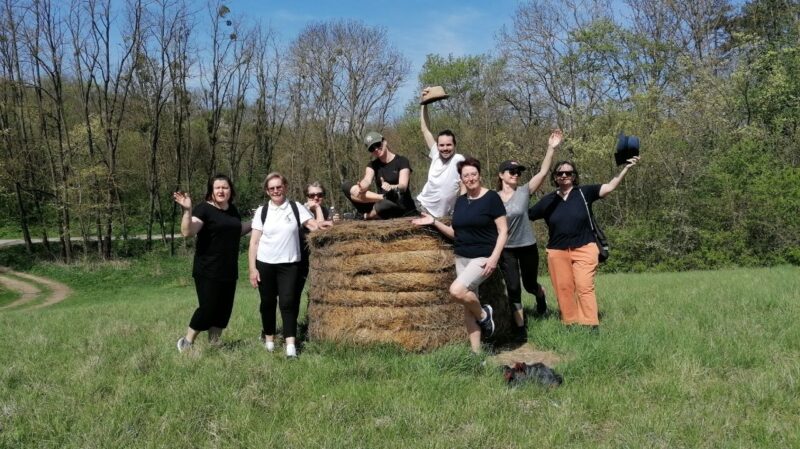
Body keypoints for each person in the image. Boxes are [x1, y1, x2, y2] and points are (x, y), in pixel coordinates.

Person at [528, 156, 640, 329]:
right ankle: (570, 323)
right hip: (557, 251)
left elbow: (609, 187)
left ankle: (590, 324)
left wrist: (625, 168)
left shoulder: (584, 192)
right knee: (564, 288)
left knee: (584, 285)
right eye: (560, 173)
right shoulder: (548, 200)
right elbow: (526, 214)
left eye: (568, 173)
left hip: (585, 247)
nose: (564, 175)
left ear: (574, 176)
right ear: (555, 177)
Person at [413, 157, 508, 353]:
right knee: (467, 305)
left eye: (473, 174)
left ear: (479, 175)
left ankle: (484, 315)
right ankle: (477, 354)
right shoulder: (461, 202)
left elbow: (503, 231)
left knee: (456, 290)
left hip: (483, 257)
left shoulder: (491, 198)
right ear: (462, 179)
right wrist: (433, 222)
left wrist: (494, 258)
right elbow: (455, 233)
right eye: (466, 175)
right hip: (462, 256)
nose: (470, 178)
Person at [248, 172, 330, 358]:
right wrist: (253, 269)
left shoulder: (296, 207)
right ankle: (269, 340)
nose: (276, 190)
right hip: (265, 264)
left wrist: (320, 215)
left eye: (279, 187)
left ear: (285, 187)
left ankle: (290, 346)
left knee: (288, 303)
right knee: (267, 303)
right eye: (272, 188)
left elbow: (314, 226)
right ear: (267, 191)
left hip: (290, 264)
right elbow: (254, 242)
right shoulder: (262, 211)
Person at [496, 129, 563, 341]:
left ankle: (540, 295)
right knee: (513, 288)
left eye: (518, 172)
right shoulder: (492, 198)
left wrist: (551, 149)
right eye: (511, 171)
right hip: (506, 249)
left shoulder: (524, 192)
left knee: (529, 285)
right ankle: (521, 329)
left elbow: (543, 173)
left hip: (527, 246)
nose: (515, 174)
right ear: (501, 175)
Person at [173, 174, 251, 353]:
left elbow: (236, 230)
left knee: (224, 310)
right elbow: (188, 231)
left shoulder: (233, 210)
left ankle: (214, 345)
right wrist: (187, 211)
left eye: (225, 187)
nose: (221, 191)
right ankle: (186, 342)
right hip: (207, 269)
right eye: (218, 188)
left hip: (229, 269)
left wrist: (257, 223)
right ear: (212, 191)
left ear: (231, 190)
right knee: (208, 308)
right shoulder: (203, 209)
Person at [340, 131, 417, 219]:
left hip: (399, 205)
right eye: (372, 148)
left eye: (377, 144)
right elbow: (367, 179)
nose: (376, 149)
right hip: (380, 201)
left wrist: (391, 187)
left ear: (384, 142)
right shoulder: (372, 165)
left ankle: (366, 216)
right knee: (346, 186)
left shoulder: (402, 161)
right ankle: (382, 198)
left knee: (384, 205)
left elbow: (403, 186)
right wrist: (362, 186)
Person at [417, 89, 466, 217]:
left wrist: (462, 209)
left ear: (455, 145)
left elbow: (464, 186)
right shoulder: (435, 155)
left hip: (442, 216)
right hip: (422, 206)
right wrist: (424, 104)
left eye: (449, 145)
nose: (445, 148)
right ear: (437, 146)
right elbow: (425, 130)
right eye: (442, 145)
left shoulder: (459, 160)